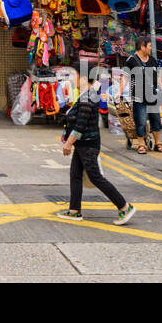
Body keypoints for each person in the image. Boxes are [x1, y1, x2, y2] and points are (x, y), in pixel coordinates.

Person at [57, 76, 136, 225]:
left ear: (84, 78)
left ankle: (124, 206)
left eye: (74, 76)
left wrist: (68, 143)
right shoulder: (87, 94)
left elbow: (80, 126)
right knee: (75, 175)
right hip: (82, 145)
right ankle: (74, 211)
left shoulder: (88, 97)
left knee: (95, 177)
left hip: (87, 144)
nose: (73, 80)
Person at [124, 37, 162, 153]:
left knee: (155, 119)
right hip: (139, 96)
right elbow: (124, 77)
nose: (151, 48)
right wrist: (119, 93)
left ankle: (158, 143)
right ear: (142, 47)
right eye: (150, 46)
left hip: (153, 94)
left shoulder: (152, 60)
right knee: (140, 120)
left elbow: (158, 76)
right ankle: (141, 144)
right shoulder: (131, 60)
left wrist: (161, 88)